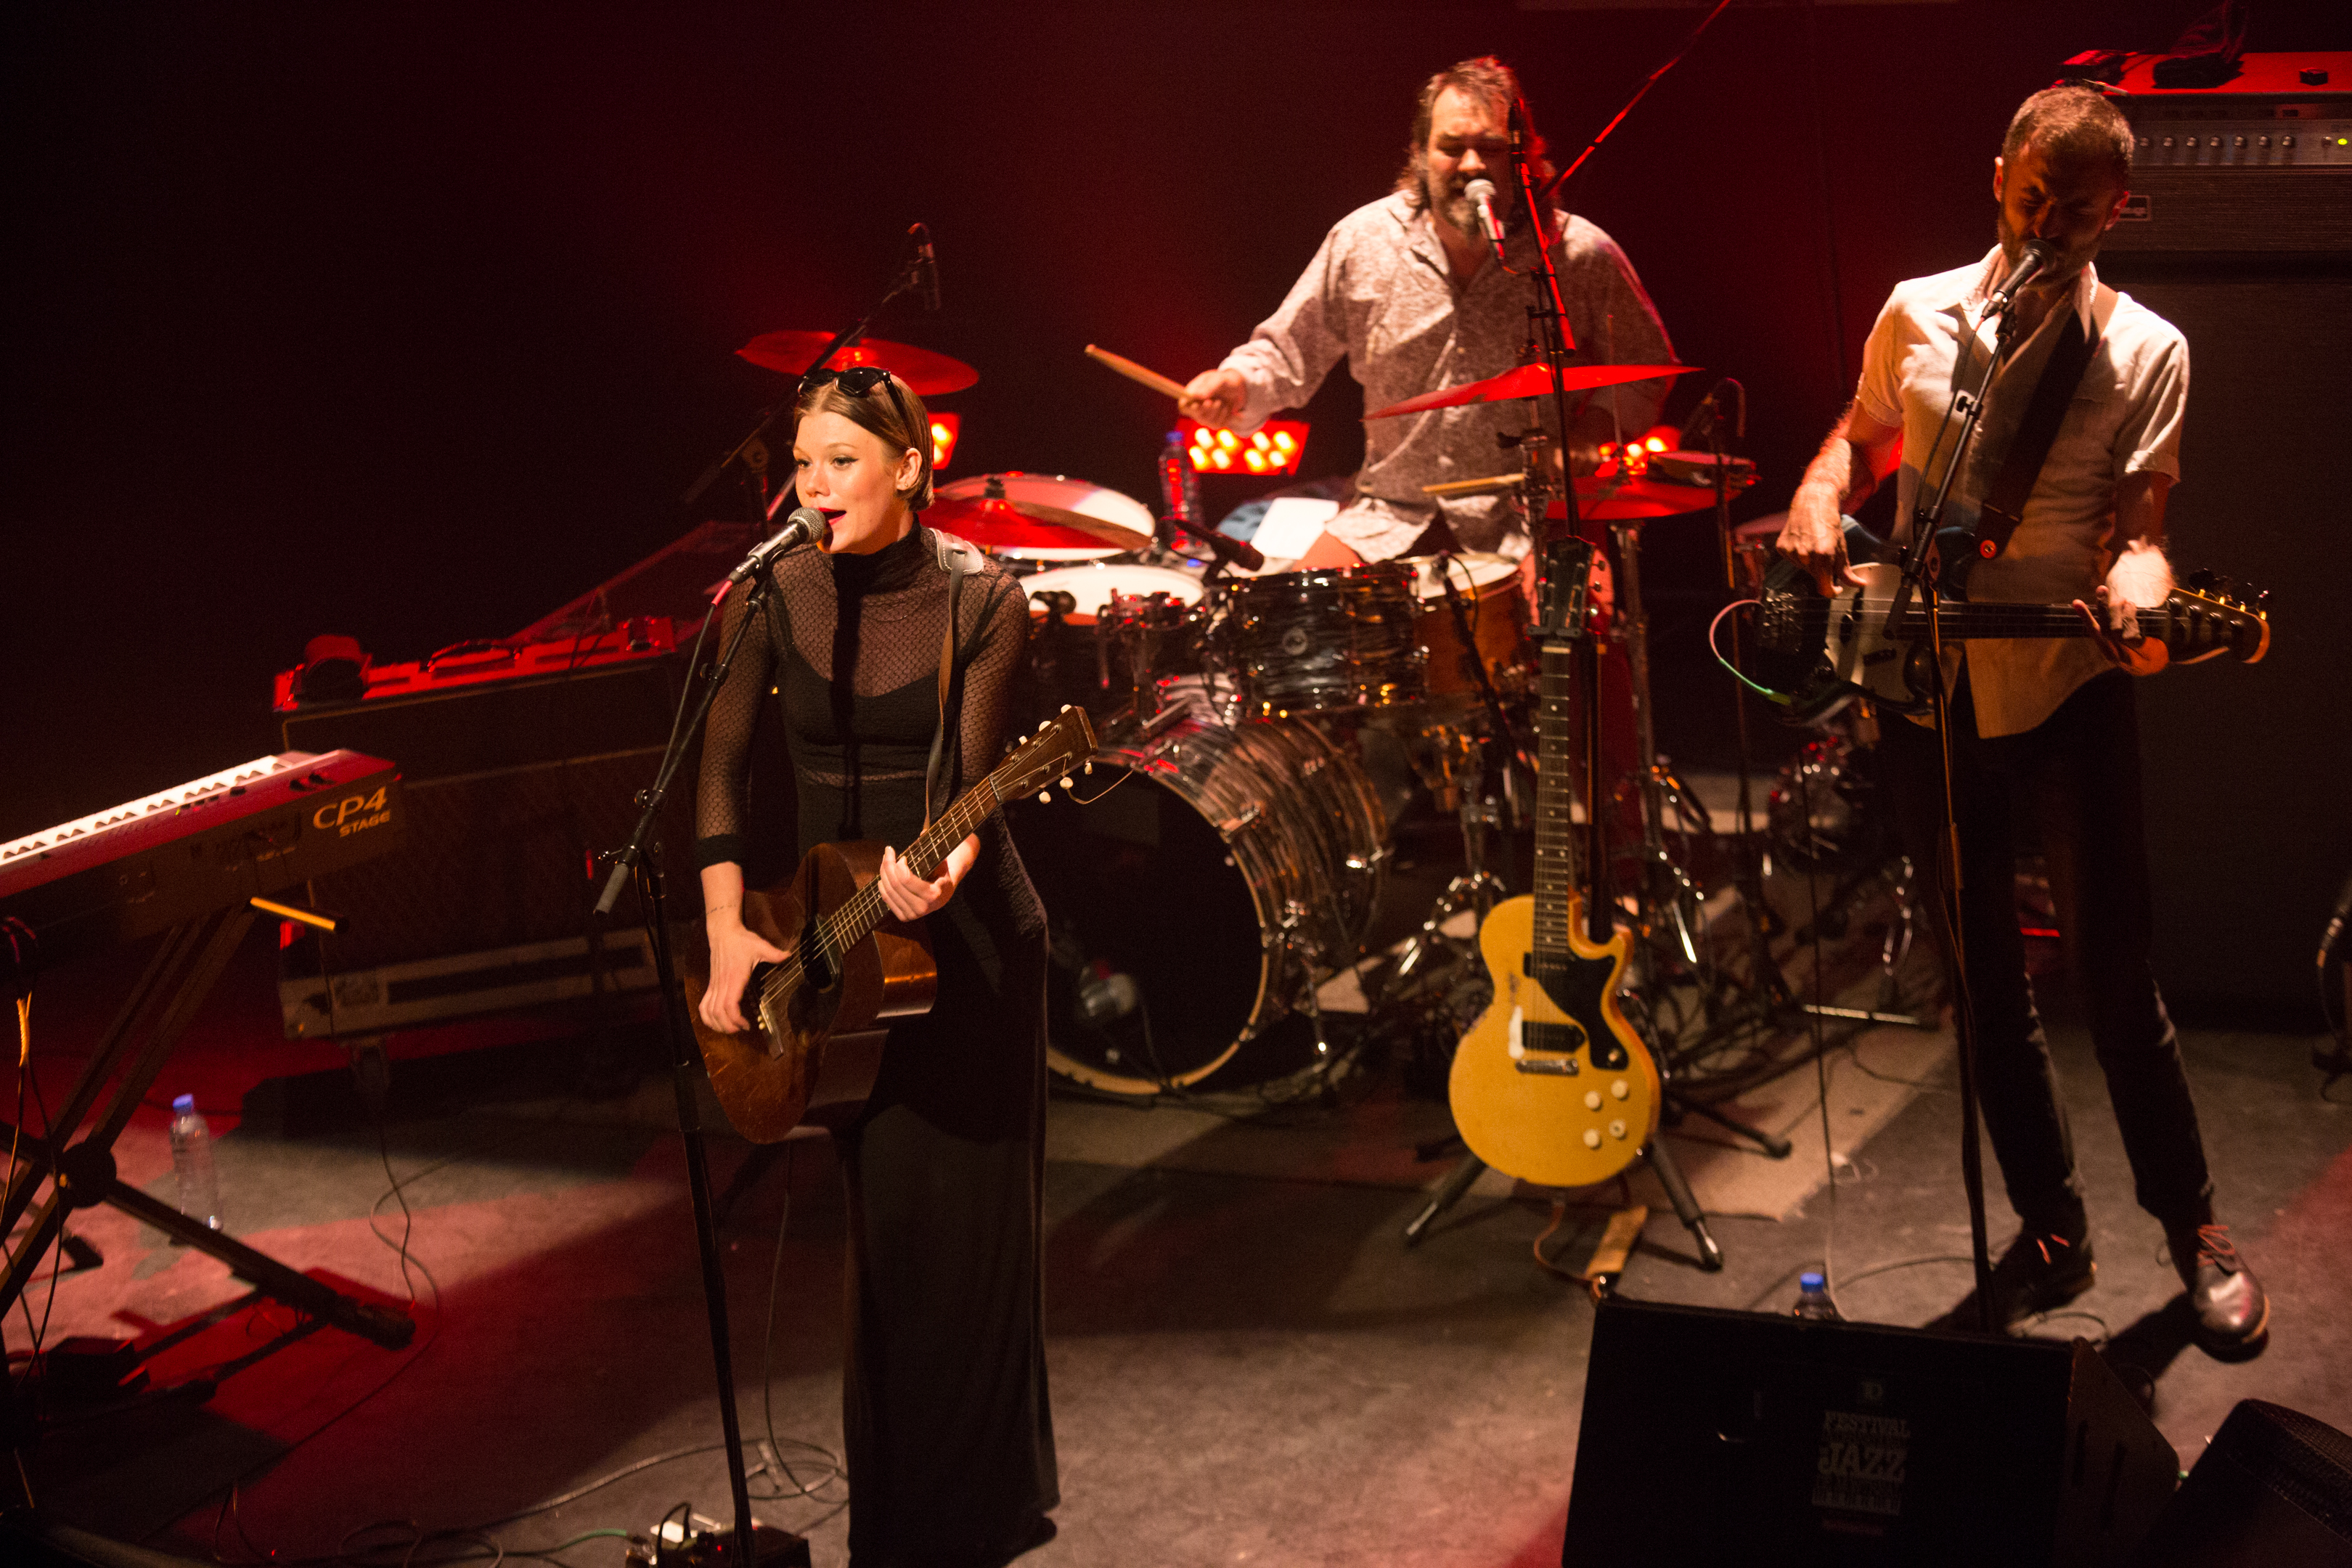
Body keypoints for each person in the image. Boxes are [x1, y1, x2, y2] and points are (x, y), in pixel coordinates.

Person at [1776, 85, 2266, 1355]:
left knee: (2114, 974)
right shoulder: (1917, 311)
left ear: (2120, 210)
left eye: (2079, 212)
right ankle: (2052, 1229)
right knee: (1984, 984)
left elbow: (2144, 530)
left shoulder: (2147, 349)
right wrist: (1823, 488)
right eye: (2033, 198)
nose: (2048, 227)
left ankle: (2194, 1226)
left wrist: (2142, 581)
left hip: (2064, 680)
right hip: (1929, 684)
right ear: (1999, 177)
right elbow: (1860, 436)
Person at [695, 366, 1060, 1562]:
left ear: (909, 467)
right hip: (837, 951)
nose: (815, 484)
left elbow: (973, 783)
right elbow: (718, 768)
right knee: (890, 1251)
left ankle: (969, 1521)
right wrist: (726, 930)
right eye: (803, 463)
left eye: (841, 461)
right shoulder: (770, 592)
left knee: (963, 1248)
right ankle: (901, 1529)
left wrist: (940, 873)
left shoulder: (982, 597)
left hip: (970, 949)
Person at [1180, 54, 1675, 579]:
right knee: (1304, 616)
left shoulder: (1578, 254)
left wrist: (1592, 430)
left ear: (1522, 157)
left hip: (1533, 518)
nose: (1471, 165)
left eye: (1490, 148)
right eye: (1451, 148)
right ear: (1419, 154)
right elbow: (1287, 352)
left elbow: (1647, 365)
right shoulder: (1362, 241)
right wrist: (1236, 383)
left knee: (1559, 622)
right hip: (1387, 516)